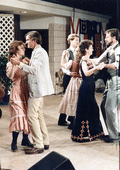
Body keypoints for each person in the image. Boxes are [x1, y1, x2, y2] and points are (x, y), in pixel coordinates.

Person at [10, 31, 54, 154]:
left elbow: (35, 71)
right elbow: (36, 68)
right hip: (38, 89)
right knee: (39, 116)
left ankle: (38, 145)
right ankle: (45, 142)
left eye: (28, 40)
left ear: (35, 40)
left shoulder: (39, 52)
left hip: (37, 89)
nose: (26, 42)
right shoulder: (37, 52)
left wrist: (20, 64)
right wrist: (29, 63)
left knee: (31, 117)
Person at [71, 40, 105, 142]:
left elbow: (98, 59)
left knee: (94, 109)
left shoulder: (89, 60)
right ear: (86, 49)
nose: (92, 49)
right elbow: (86, 73)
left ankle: (95, 133)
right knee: (85, 111)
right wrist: (96, 68)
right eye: (91, 48)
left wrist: (107, 52)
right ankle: (80, 136)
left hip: (89, 89)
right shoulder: (83, 61)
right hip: (85, 89)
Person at [6, 40, 33, 152]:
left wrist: (30, 63)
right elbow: (10, 76)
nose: (24, 49)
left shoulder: (25, 61)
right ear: (16, 49)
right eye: (22, 48)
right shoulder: (10, 63)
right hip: (16, 92)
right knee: (19, 115)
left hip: (26, 92)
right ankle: (14, 141)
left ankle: (25, 139)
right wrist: (13, 65)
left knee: (27, 116)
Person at [94, 28, 120, 142]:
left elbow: (117, 65)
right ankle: (112, 131)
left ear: (114, 38)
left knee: (110, 108)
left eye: (107, 37)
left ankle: (114, 136)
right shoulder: (109, 49)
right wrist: (85, 59)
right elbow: (98, 60)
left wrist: (104, 66)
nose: (105, 39)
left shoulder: (118, 49)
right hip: (110, 81)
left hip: (116, 80)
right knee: (104, 105)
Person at [58, 33, 80, 127]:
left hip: (75, 77)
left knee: (72, 98)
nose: (78, 42)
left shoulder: (78, 51)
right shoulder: (67, 52)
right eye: (76, 40)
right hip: (69, 76)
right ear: (70, 41)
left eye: (78, 40)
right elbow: (63, 67)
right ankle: (66, 119)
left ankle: (67, 119)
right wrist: (69, 73)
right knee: (68, 98)